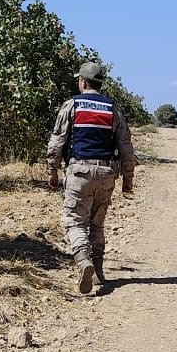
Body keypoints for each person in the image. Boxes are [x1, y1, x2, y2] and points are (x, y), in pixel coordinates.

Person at [47, 61, 136, 293]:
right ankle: (98, 270)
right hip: (107, 173)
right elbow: (126, 146)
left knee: (75, 221)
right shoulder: (113, 109)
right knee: (97, 223)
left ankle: (83, 260)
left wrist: (52, 169)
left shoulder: (72, 105)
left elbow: (58, 141)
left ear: (83, 82)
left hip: (79, 172)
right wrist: (128, 179)